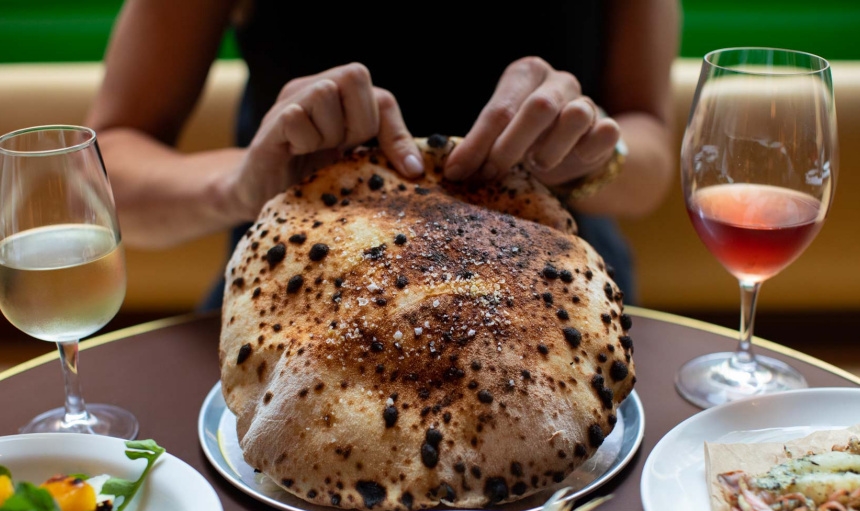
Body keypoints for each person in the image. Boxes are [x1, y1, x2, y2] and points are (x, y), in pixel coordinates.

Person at [85, 0, 680, 307]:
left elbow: (650, 144)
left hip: (559, 306)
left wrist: (595, 154)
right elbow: (102, 172)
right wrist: (242, 184)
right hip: (298, 303)